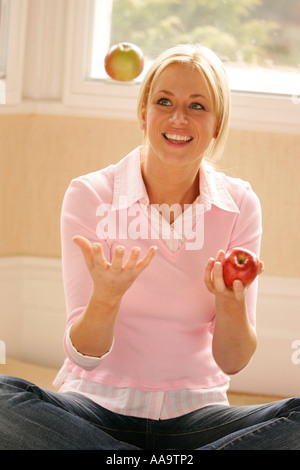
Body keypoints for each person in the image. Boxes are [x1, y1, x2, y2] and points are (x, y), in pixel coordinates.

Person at [0, 44, 299, 451]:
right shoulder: (91, 195)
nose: (179, 118)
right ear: (143, 113)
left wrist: (229, 302)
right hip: (96, 408)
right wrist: (106, 298)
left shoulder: (239, 204)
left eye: (197, 106)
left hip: (196, 415)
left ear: (217, 123)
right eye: (164, 101)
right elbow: (84, 355)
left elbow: (233, 361)